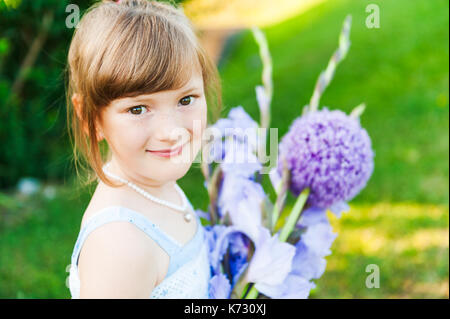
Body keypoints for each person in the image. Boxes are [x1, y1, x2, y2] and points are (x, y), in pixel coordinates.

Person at [65, 0, 222, 298]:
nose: (171, 131)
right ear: (91, 117)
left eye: (186, 100)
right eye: (138, 109)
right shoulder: (120, 243)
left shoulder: (158, 185)